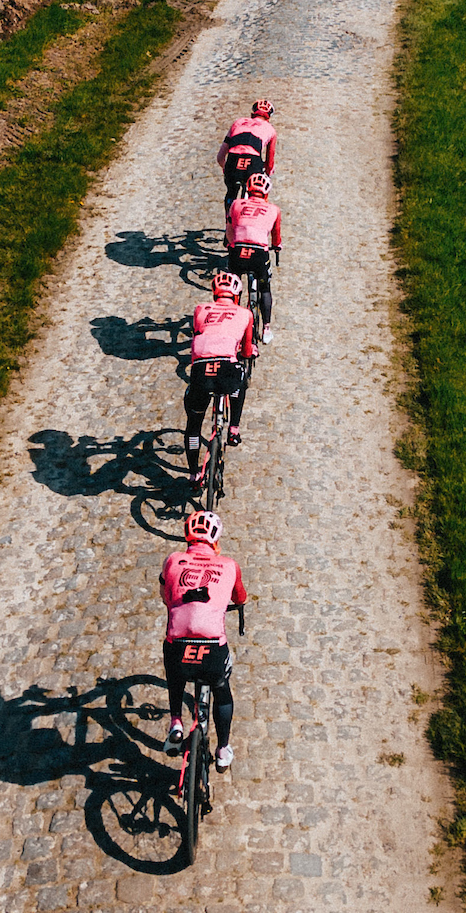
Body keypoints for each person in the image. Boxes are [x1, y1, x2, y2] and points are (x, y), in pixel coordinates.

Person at [161, 508, 248, 769]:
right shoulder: (229, 565)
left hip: (178, 645)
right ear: (216, 540)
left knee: (175, 676)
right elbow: (240, 597)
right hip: (212, 647)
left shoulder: (173, 560)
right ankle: (222, 750)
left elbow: (166, 595)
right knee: (222, 690)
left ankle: (176, 722)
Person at [185, 271, 257, 469]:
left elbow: (197, 337)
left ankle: (193, 475)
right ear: (237, 296)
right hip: (226, 368)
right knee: (238, 383)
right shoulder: (245, 314)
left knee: (193, 425)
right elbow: (247, 350)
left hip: (201, 369)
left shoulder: (200, 309)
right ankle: (234, 429)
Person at [225, 173, 283, 341]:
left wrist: (232, 245)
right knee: (265, 288)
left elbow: (229, 229)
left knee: (232, 287)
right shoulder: (274, 210)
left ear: (248, 191)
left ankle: (231, 320)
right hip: (259, 253)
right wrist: (277, 247)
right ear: (266, 193)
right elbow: (276, 236)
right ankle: (266, 328)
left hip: (238, 251)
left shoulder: (236, 204)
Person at [217, 100, 278, 204]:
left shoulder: (238, 122)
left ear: (252, 114)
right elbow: (270, 162)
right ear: (268, 118)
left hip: (233, 159)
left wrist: (225, 168)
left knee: (231, 191)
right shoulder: (271, 129)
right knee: (254, 196)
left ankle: (228, 216)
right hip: (253, 162)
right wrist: (267, 173)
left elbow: (220, 157)